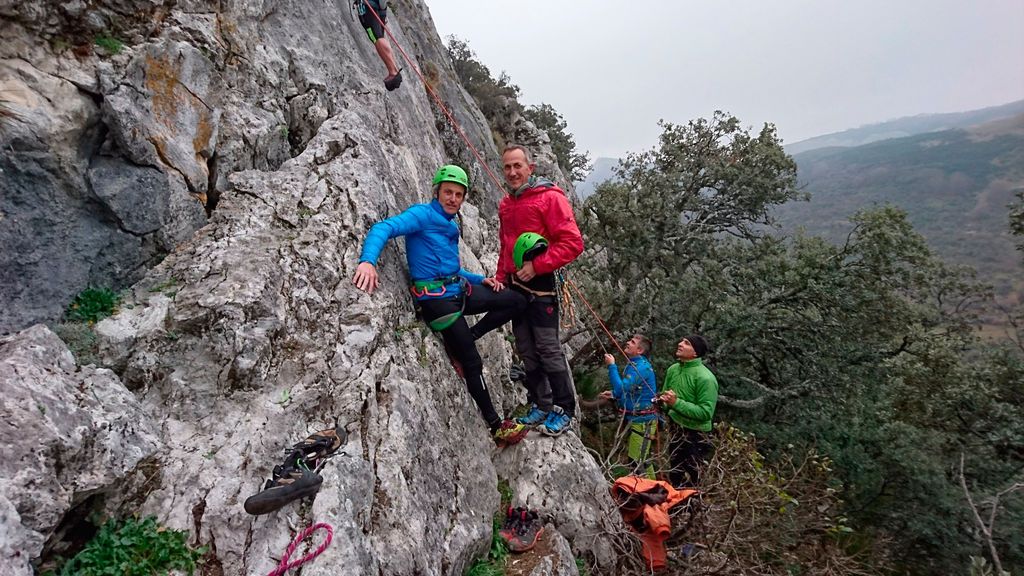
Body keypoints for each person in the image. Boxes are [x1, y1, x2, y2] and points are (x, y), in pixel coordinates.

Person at [353, 164, 527, 445]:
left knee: (516, 300)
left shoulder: (449, 223)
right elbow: (385, 227)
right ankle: (496, 425)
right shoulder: (422, 215)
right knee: (472, 361)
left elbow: (450, 268)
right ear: (437, 191)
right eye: (448, 192)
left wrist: (481, 280)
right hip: (437, 302)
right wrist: (368, 261)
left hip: (458, 288)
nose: (453, 199)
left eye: (459, 194)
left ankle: (468, 335)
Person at [497, 145, 585, 437]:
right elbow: (505, 247)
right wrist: (500, 278)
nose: (512, 172)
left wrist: (537, 266)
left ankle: (564, 408)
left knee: (548, 349)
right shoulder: (507, 204)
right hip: (515, 286)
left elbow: (572, 243)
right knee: (526, 349)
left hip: (542, 285)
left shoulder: (550, 198)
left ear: (530, 168)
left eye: (517, 166)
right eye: (507, 167)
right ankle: (540, 402)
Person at [656, 334, 718, 488]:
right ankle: (676, 507)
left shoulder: (706, 378)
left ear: (695, 353)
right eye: (682, 341)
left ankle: (692, 508)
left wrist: (676, 403)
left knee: (693, 475)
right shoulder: (673, 369)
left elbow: (706, 413)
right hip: (676, 427)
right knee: (675, 470)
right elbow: (665, 397)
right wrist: (662, 403)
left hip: (697, 434)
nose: (680, 344)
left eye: (687, 343)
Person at [600, 334, 658, 479]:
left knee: (638, 461)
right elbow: (630, 390)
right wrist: (614, 395)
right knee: (639, 459)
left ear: (639, 350)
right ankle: (651, 491)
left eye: (632, 342)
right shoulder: (635, 364)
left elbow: (622, 388)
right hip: (638, 419)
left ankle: (653, 494)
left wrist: (612, 366)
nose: (627, 342)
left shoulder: (641, 367)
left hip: (644, 421)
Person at [356, 0, 402, 91]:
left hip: (372, 5)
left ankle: (393, 71)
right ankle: (393, 71)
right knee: (377, 37)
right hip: (375, 5)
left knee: (377, 37)